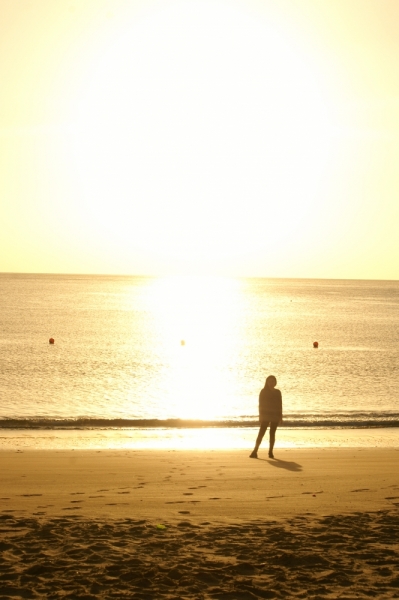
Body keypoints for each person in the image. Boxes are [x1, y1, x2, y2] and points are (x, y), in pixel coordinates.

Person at [250, 375, 283, 459]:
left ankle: (270, 452)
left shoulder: (278, 392)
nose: (271, 383)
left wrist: (280, 416)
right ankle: (255, 451)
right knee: (261, 433)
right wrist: (260, 415)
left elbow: (280, 405)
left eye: (272, 381)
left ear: (275, 382)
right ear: (267, 382)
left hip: (275, 415)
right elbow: (260, 404)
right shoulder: (263, 391)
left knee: (272, 434)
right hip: (265, 415)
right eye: (269, 381)